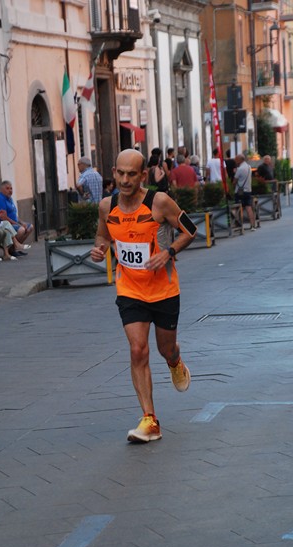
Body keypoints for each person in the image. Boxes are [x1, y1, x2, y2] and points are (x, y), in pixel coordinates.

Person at [90, 149, 197, 443]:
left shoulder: (159, 202)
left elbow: (191, 230)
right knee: (138, 349)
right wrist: (99, 249)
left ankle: (175, 362)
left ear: (143, 176)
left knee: (165, 349)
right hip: (130, 290)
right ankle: (150, 420)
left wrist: (168, 252)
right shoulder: (106, 206)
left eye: (131, 174)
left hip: (163, 290)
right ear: (114, 173)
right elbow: (103, 236)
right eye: (120, 173)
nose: (125, 180)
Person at [0, 181, 33, 255]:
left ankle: (14, 249)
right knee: (21, 230)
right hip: (4, 225)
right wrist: (19, 225)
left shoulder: (9, 199)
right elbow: (4, 217)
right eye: (7, 188)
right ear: (1, 190)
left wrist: (22, 223)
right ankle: (12, 249)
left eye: (11, 188)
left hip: (13, 223)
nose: (10, 191)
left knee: (30, 227)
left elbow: (14, 214)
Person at [234, 154, 256, 231]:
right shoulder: (249, 167)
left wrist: (235, 173)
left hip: (240, 192)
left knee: (238, 208)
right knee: (249, 207)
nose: (235, 160)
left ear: (240, 160)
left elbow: (235, 181)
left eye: (236, 159)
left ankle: (239, 226)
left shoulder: (239, 169)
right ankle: (253, 225)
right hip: (248, 190)